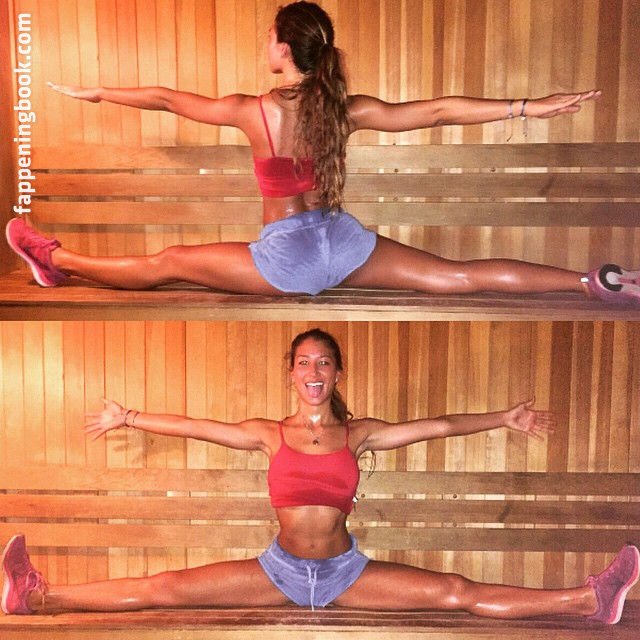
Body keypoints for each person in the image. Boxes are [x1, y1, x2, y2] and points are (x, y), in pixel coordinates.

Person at [4, 2, 639, 304]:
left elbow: (167, 99)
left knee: (167, 261)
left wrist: (97, 92)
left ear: (284, 49)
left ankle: (56, 260)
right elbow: (438, 110)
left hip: (287, 261)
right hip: (343, 243)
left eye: (270, 38)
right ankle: (594, 280)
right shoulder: (345, 108)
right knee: (458, 274)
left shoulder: (251, 109)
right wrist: (526, 107)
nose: (267, 45)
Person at [2, 327, 639, 622]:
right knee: (165, 586)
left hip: (344, 572)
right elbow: (200, 426)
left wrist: (504, 417)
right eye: (304, 361)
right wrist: (130, 417)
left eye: (324, 362)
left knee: (455, 590)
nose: (314, 371)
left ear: (336, 374)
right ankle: (36, 597)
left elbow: (437, 425)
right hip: (277, 571)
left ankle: (588, 599)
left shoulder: (359, 435)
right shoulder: (266, 432)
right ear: (291, 373)